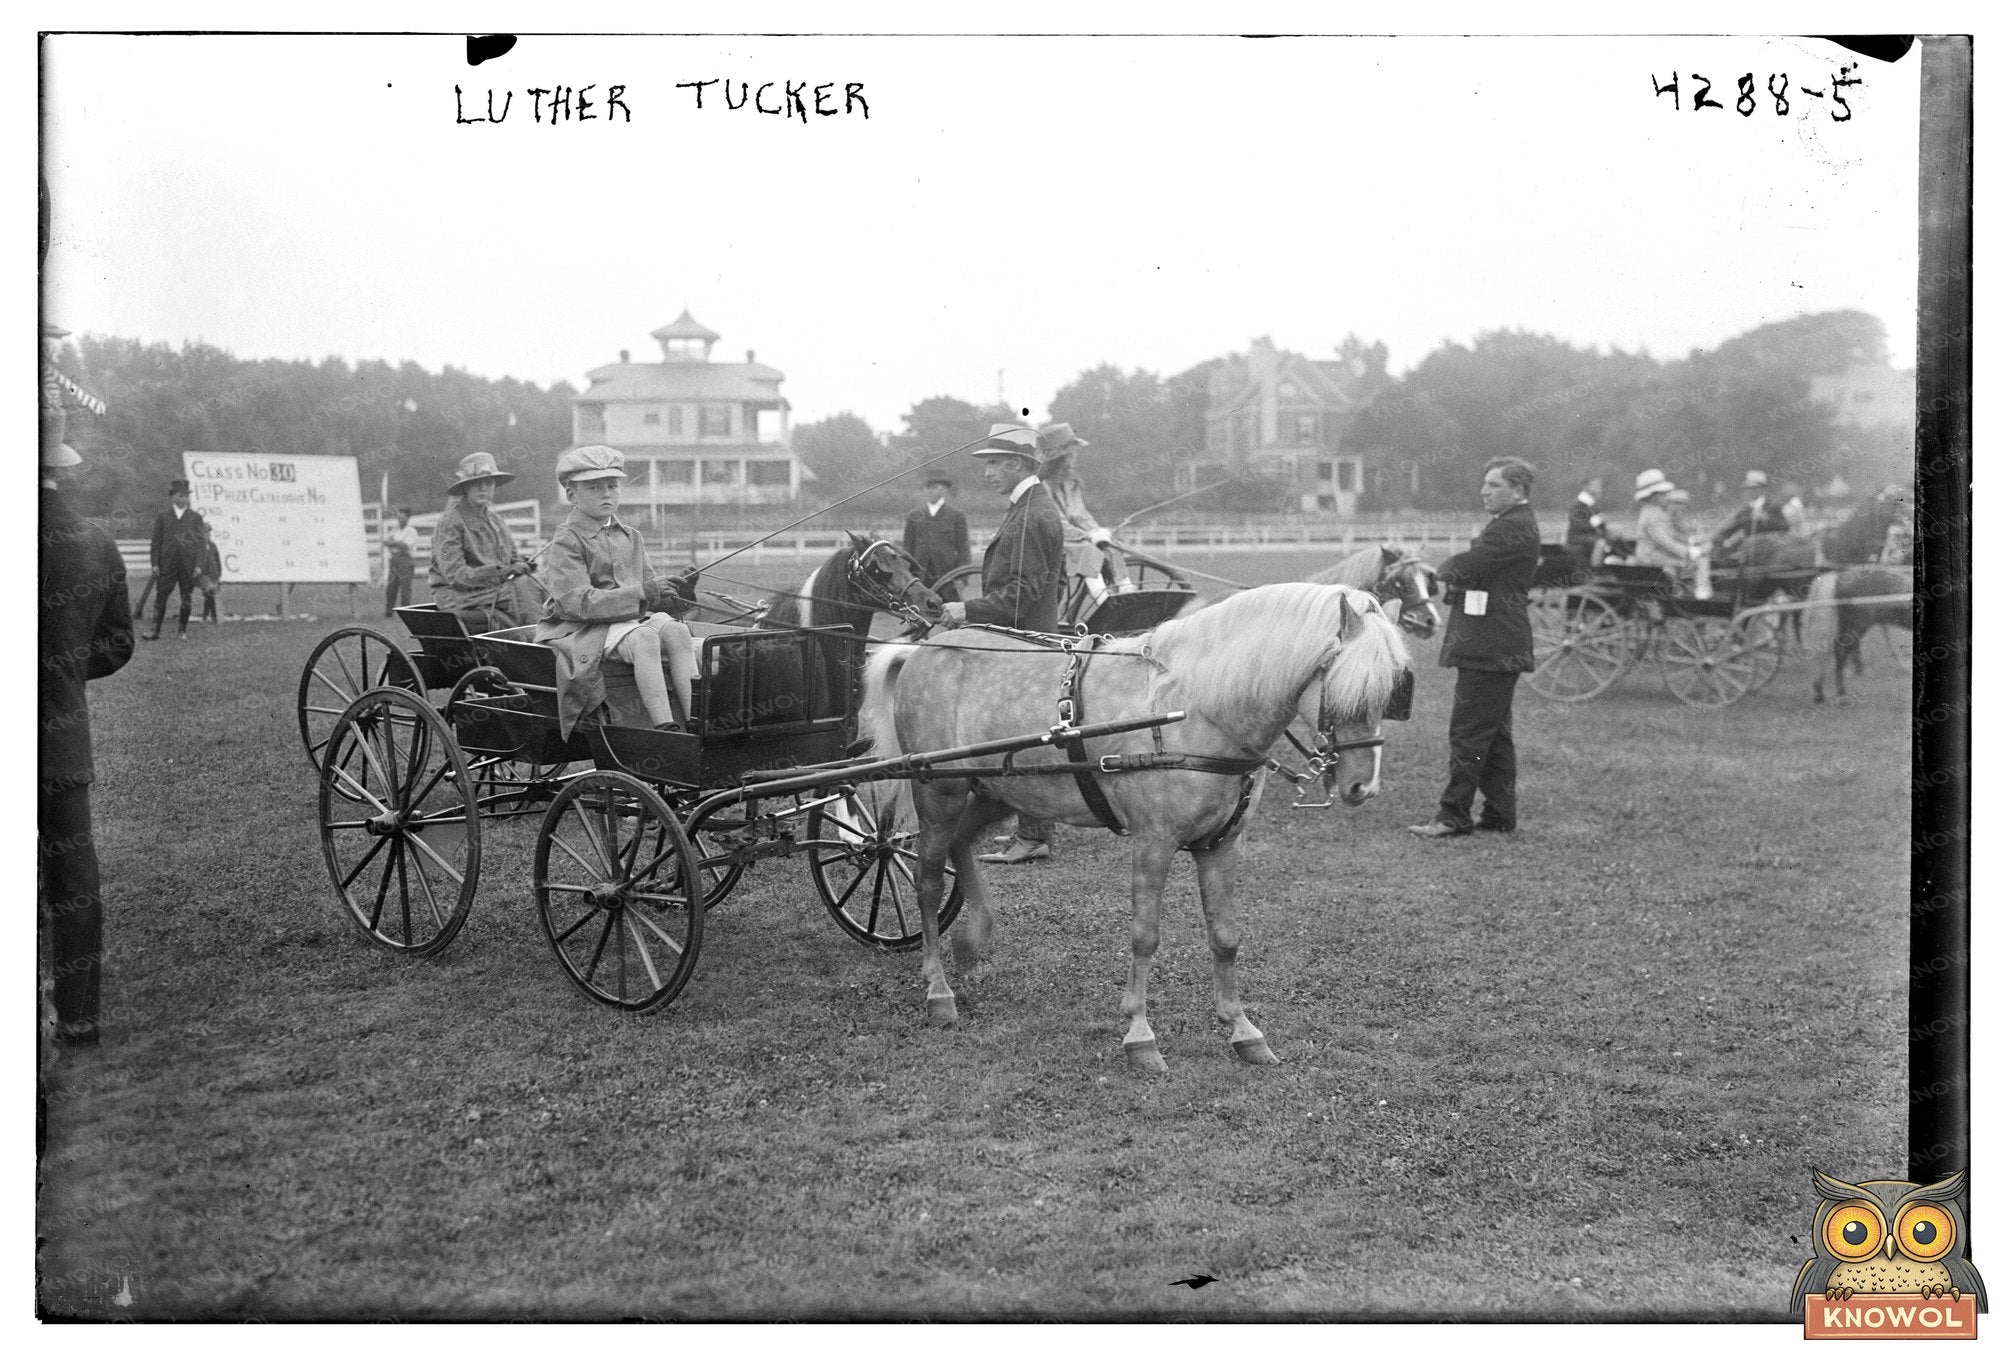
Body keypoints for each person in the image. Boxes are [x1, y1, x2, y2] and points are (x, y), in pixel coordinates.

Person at [40, 408, 135, 1047]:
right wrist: (66, 670)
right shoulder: (96, 544)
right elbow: (119, 643)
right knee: (75, 880)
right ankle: (80, 1018)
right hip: (59, 740)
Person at [936, 424, 1066, 864]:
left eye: (994, 462)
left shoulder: (1030, 515)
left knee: (1021, 738)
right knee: (1021, 737)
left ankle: (1032, 836)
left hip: (1021, 646)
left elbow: (1020, 595)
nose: (987, 471)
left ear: (1018, 464)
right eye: (987, 463)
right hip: (1027, 640)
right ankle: (1031, 830)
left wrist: (965, 612)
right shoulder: (1030, 507)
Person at [1408, 456, 1539, 840]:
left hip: (1490, 646)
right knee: (1494, 736)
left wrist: (1432, 573)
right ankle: (1499, 815)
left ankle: (1453, 816)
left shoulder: (1511, 528)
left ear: (1518, 490)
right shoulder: (1510, 524)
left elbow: (1468, 566)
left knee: (1468, 735)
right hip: (1495, 644)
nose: (1484, 491)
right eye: (1484, 484)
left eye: (1494, 485)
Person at [536, 445, 702, 736]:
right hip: (582, 628)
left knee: (676, 631)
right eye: (594, 487)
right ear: (571, 494)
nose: (606, 494)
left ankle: (696, 722)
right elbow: (578, 603)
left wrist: (678, 592)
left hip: (625, 624)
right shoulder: (567, 540)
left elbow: (652, 596)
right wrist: (642, 591)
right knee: (644, 637)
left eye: (613, 485)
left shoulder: (631, 537)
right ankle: (667, 729)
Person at [428, 452, 534, 633]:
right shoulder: (450, 523)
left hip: (493, 590)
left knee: (537, 584)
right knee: (523, 591)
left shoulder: (495, 520)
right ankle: (539, 642)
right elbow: (456, 576)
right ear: (466, 488)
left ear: (494, 487)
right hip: (459, 596)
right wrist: (502, 571)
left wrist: (521, 564)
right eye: (476, 483)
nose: (483, 488)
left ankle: (546, 640)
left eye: (489, 482)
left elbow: (512, 559)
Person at [1036, 421, 1131, 605]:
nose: (1076, 456)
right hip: (1049, 540)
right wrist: (1088, 536)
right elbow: (1057, 523)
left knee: (1112, 548)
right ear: (1061, 457)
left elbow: (1080, 515)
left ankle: (1127, 597)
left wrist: (1099, 533)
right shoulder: (1042, 487)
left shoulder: (1071, 483)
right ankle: (1105, 603)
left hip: (1072, 539)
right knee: (1087, 551)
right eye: (1072, 452)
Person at [142, 478, 206, 641]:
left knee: (186, 596)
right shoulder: (163, 517)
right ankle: (155, 631)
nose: (183, 499)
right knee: (161, 595)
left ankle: (182, 631)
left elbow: (201, 543)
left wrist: (199, 565)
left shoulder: (196, 518)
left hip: (188, 565)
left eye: (186, 496)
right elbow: (156, 542)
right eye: (180, 496)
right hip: (166, 564)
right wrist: (155, 563)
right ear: (173, 497)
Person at [901, 472, 970, 602]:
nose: (929, 491)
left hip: (948, 578)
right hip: (920, 578)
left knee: (952, 616)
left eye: (933, 487)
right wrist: (907, 575)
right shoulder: (914, 516)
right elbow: (907, 548)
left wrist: (962, 578)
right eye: (926, 488)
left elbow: (963, 549)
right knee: (919, 617)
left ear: (944, 489)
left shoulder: (956, 516)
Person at [1631, 468, 1703, 577]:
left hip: (1658, 554)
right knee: (1686, 565)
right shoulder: (1650, 515)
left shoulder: (1658, 512)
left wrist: (1686, 543)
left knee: (1686, 564)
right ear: (1652, 496)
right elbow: (1663, 540)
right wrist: (1686, 552)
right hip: (1650, 557)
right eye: (1662, 493)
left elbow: (1670, 534)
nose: (1666, 496)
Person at [1712, 468, 1789, 558]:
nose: (1751, 491)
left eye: (1755, 488)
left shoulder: (1773, 507)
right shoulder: (1745, 511)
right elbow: (1731, 528)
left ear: (1762, 489)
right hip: (1750, 553)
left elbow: (1785, 527)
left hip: (1771, 552)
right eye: (1749, 488)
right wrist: (1717, 539)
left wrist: (1765, 518)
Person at [382, 506, 420, 616]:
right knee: (391, 587)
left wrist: (394, 543)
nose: (399, 520)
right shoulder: (394, 529)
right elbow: (386, 542)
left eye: (402, 517)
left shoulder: (412, 532)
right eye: (398, 517)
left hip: (406, 560)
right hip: (394, 560)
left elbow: (405, 545)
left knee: (405, 589)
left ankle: (406, 614)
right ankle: (389, 612)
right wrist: (395, 544)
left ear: (408, 518)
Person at [1565, 475, 1608, 572]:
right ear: (1586, 487)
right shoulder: (1578, 505)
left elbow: (1600, 525)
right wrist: (1595, 522)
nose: (1599, 488)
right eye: (1595, 485)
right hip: (1576, 537)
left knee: (1614, 537)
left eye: (1599, 485)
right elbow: (1577, 526)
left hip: (1588, 536)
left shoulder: (1592, 503)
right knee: (1600, 543)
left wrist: (1603, 524)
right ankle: (1595, 572)